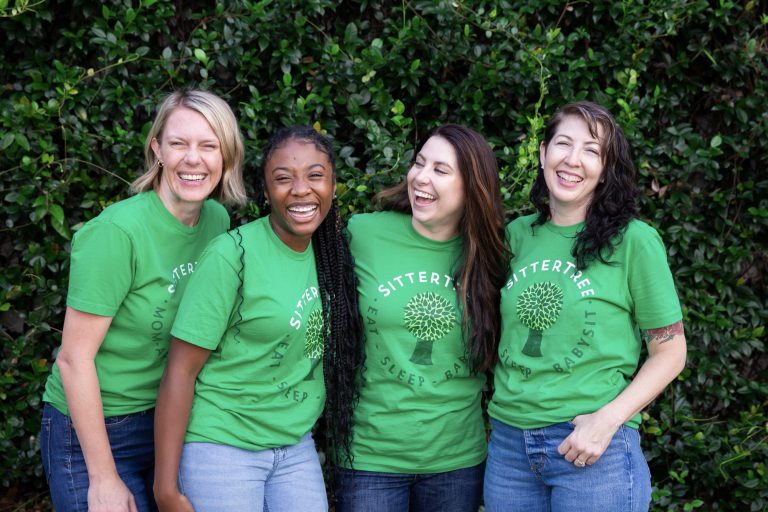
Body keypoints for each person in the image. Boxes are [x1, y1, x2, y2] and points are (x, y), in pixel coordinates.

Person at [40, 89, 247, 512]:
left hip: (169, 420)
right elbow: (73, 360)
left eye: (209, 145)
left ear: (226, 156)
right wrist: (103, 478)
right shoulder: (116, 234)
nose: (194, 159)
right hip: (95, 429)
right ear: (157, 149)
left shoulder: (217, 222)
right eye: (179, 143)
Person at [484, 101, 688, 511]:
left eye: (591, 151)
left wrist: (607, 421)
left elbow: (670, 351)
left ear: (605, 168)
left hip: (593, 450)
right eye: (563, 144)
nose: (573, 160)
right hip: (508, 450)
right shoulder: (515, 236)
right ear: (543, 153)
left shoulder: (634, 242)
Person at [153, 125, 363, 512]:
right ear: (266, 192)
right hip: (221, 445)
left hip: (293, 445)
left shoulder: (333, 256)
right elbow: (179, 371)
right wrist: (165, 487)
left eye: (315, 176)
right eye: (283, 179)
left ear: (334, 186)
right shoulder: (231, 256)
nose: (301, 190)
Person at [334, 124, 510, 512]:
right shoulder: (363, 233)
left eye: (441, 170)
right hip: (371, 457)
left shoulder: (490, 256)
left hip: (457, 462)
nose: (421, 177)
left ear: (472, 188)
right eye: (419, 163)